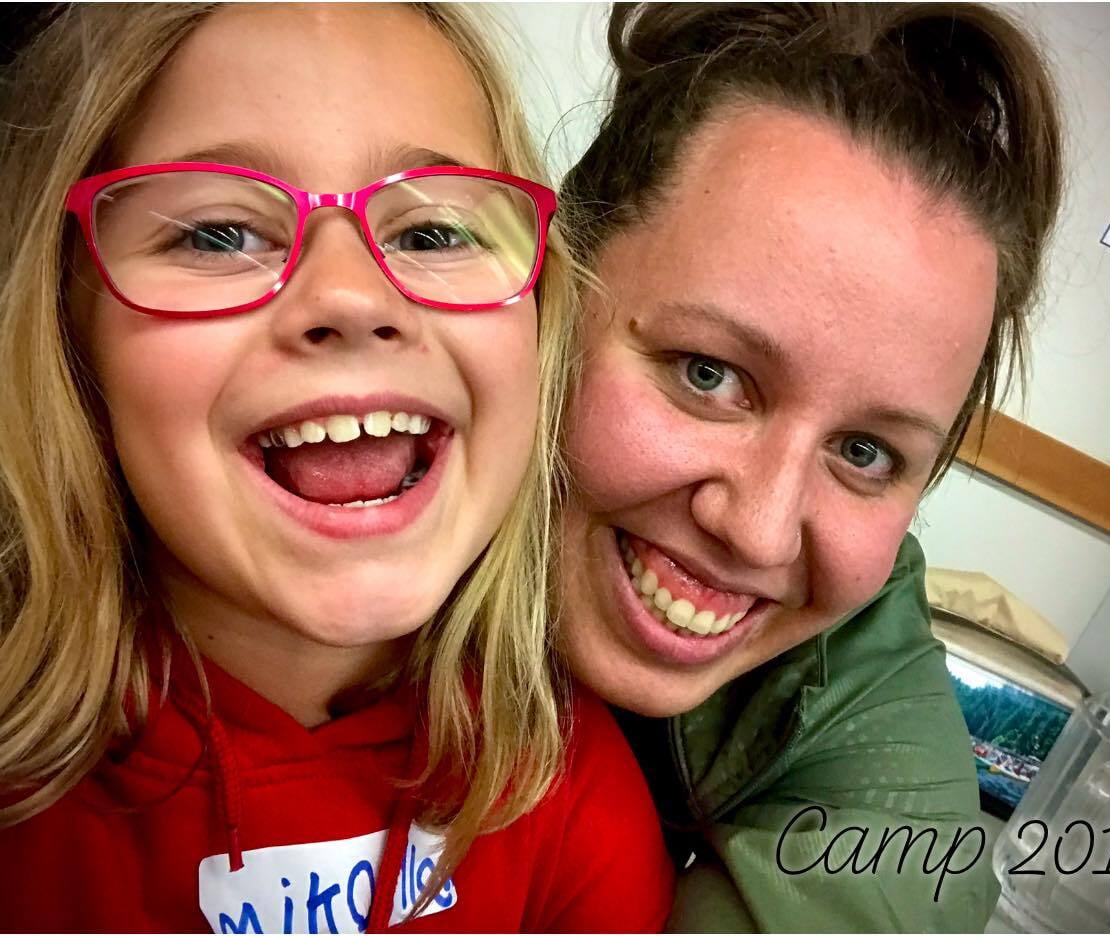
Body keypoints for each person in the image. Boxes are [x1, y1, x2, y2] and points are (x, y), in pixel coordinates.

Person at [0, 3, 672, 931]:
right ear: (69, 326)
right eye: (217, 233)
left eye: (434, 232)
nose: (352, 295)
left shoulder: (573, 802)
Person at [555, 2, 1064, 931]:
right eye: (710, 375)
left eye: (864, 453)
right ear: (556, 276)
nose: (756, 529)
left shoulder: (862, 687)